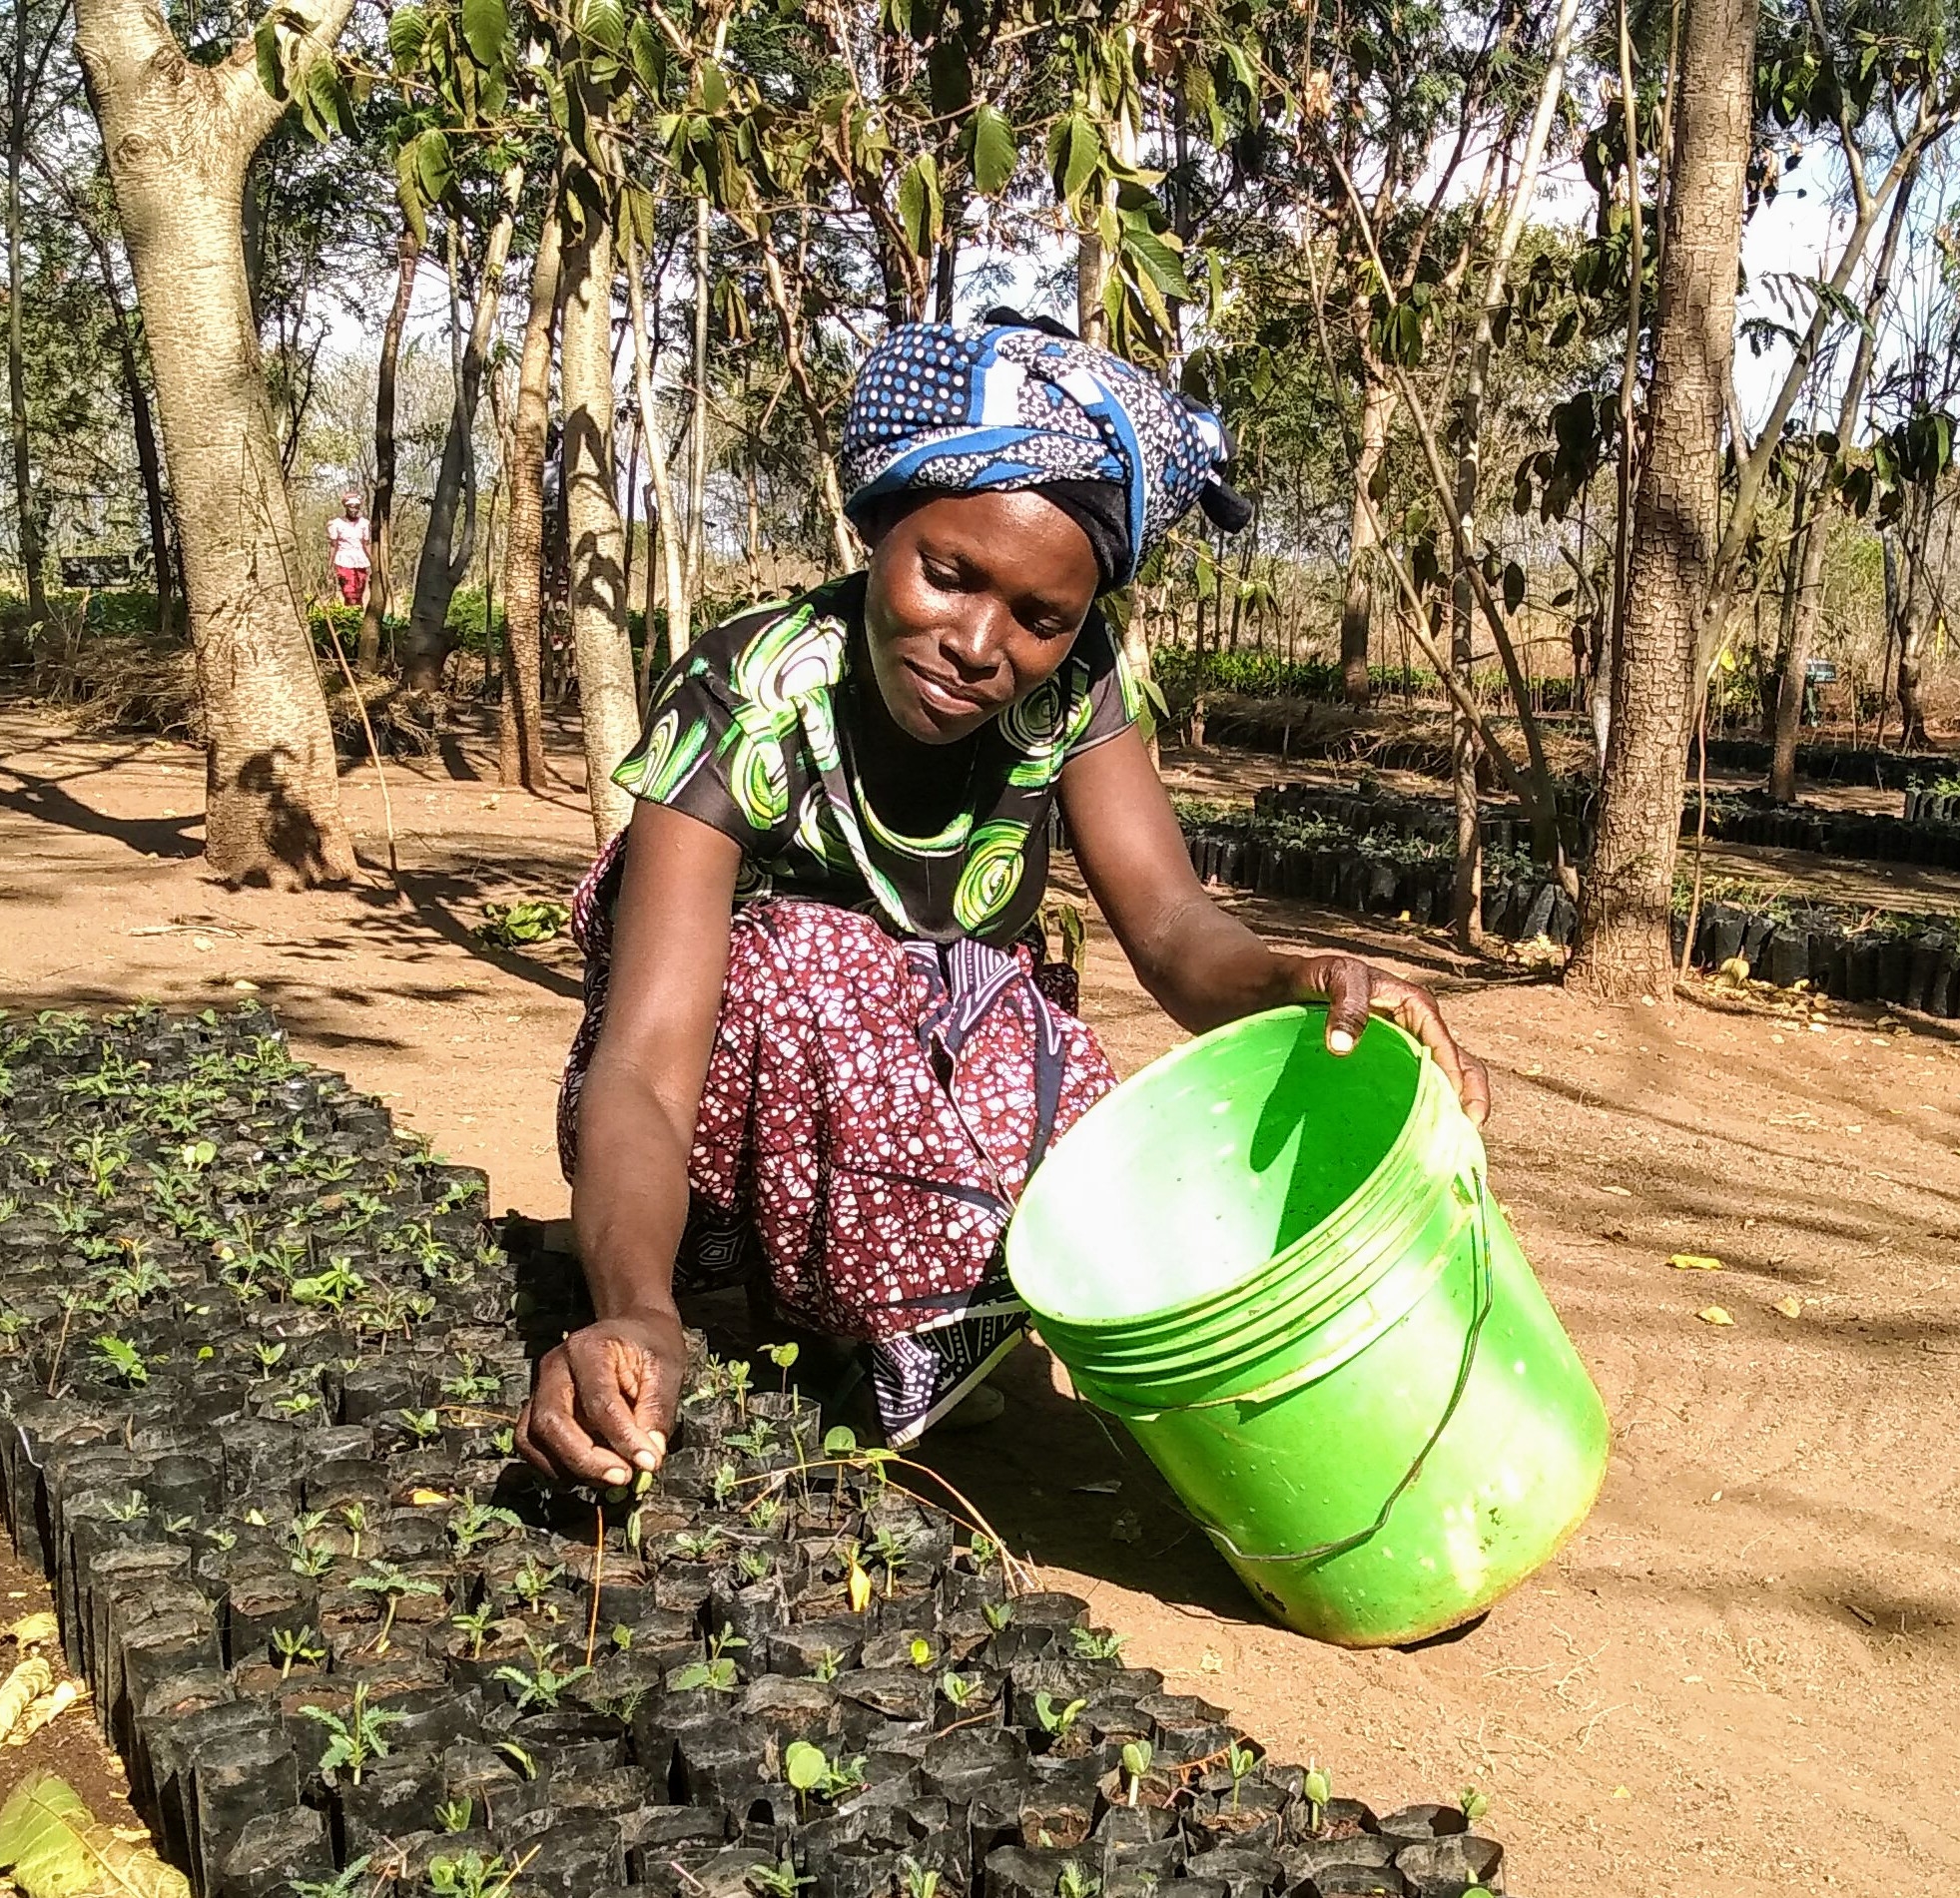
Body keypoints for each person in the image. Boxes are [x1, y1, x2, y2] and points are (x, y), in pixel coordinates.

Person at [518, 315, 1489, 1487]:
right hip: (723, 1122)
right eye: (948, 574)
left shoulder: (1074, 688)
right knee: (814, 955)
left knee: (1030, 1030)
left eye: (1041, 617)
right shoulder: (753, 689)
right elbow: (647, 1060)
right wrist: (637, 1309)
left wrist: (1306, 978)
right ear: (879, 528)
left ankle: (937, 1328)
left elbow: (1177, 934)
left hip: (901, 1105)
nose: (980, 643)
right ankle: (761, 1297)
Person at [327, 492, 372, 607]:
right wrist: (329, 566)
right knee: (349, 590)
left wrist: (373, 561)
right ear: (346, 507)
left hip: (360, 559)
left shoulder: (363, 523)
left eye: (356, 507)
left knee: (359, 588)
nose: (354, 510)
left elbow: (366, 544)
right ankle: (350, 611)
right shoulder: (337, 524)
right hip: (344, 560)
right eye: (351, 506)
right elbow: (333, 545)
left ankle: (357, 613)